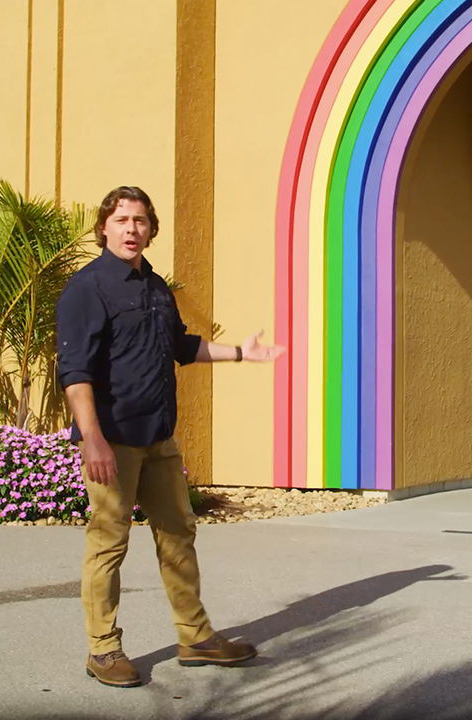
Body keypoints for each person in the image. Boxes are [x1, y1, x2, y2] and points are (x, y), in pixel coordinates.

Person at [56, 186, 284, 688]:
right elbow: (74, 371)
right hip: (112, 439)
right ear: (104, 228)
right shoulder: (86, 289)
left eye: (140, 220)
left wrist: (242, 353)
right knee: (108, 544)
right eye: (121, 220)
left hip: (158, 434)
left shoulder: (157, 287)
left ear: (151, 229)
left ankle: (195, 636)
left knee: (179, 532)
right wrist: (90, 437)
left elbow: (181, 346)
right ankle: (103, 649)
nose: (131, 229)